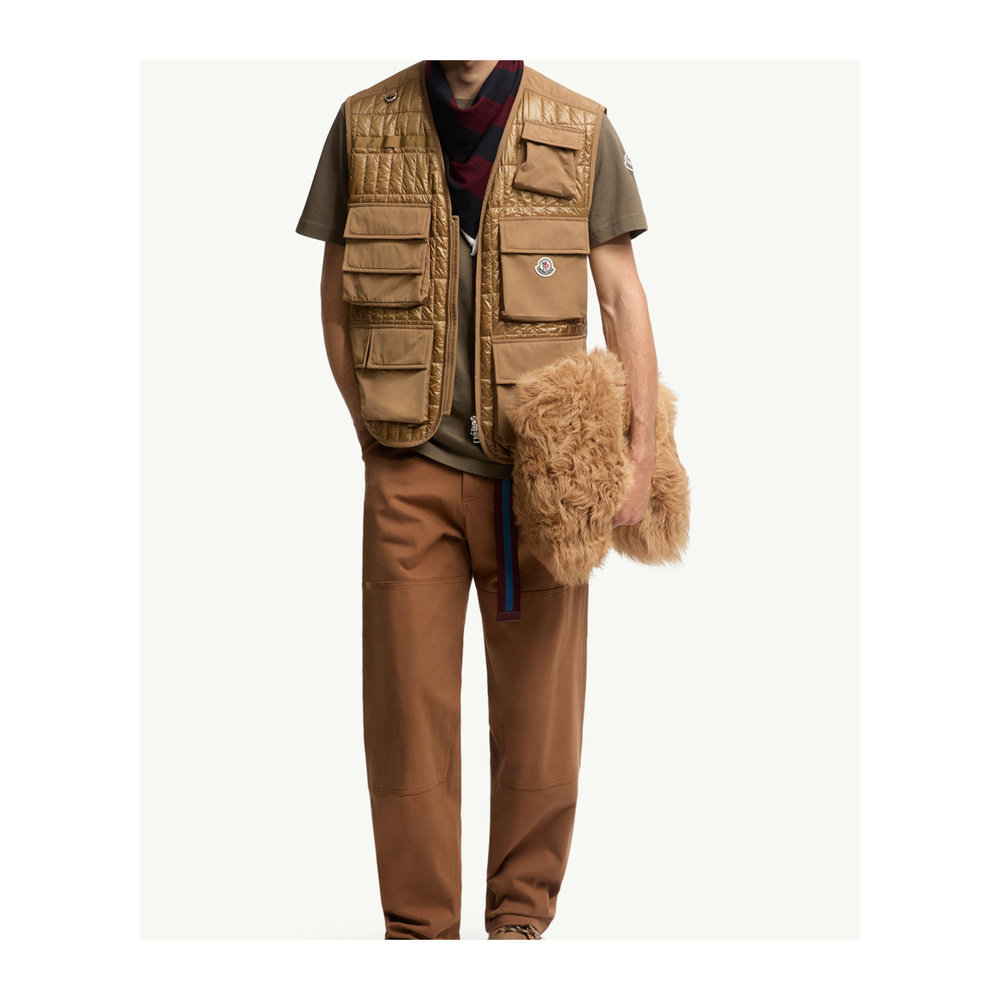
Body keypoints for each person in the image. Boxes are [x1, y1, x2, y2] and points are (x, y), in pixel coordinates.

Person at [295, 59, 659, 940]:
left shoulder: (581, 125)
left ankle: (520, 926)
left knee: (541, 718)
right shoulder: (361, 123)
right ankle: (418, 935)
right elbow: (336, 294)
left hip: (541, 481)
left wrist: (639, 454)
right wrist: (369, 427)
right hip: (408, 475)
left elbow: (621, 294)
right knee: (406, 718)